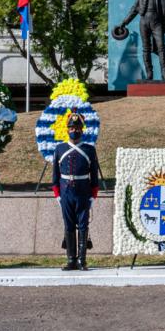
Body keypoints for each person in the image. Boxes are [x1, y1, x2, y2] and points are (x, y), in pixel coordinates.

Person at [52, 112, 99, 271]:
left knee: (83, 225)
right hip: (65, 193)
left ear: (82, 130)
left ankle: (82, 260)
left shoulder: (89, 149)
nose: (75, 130)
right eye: (72, 127)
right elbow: (55, 175)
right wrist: (57, 194)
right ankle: (71, 259)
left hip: (83, 192)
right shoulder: (59, 149)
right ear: (67, 129)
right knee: (69, 225)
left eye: (77, 127)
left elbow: (94, 174)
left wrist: (93, 195)